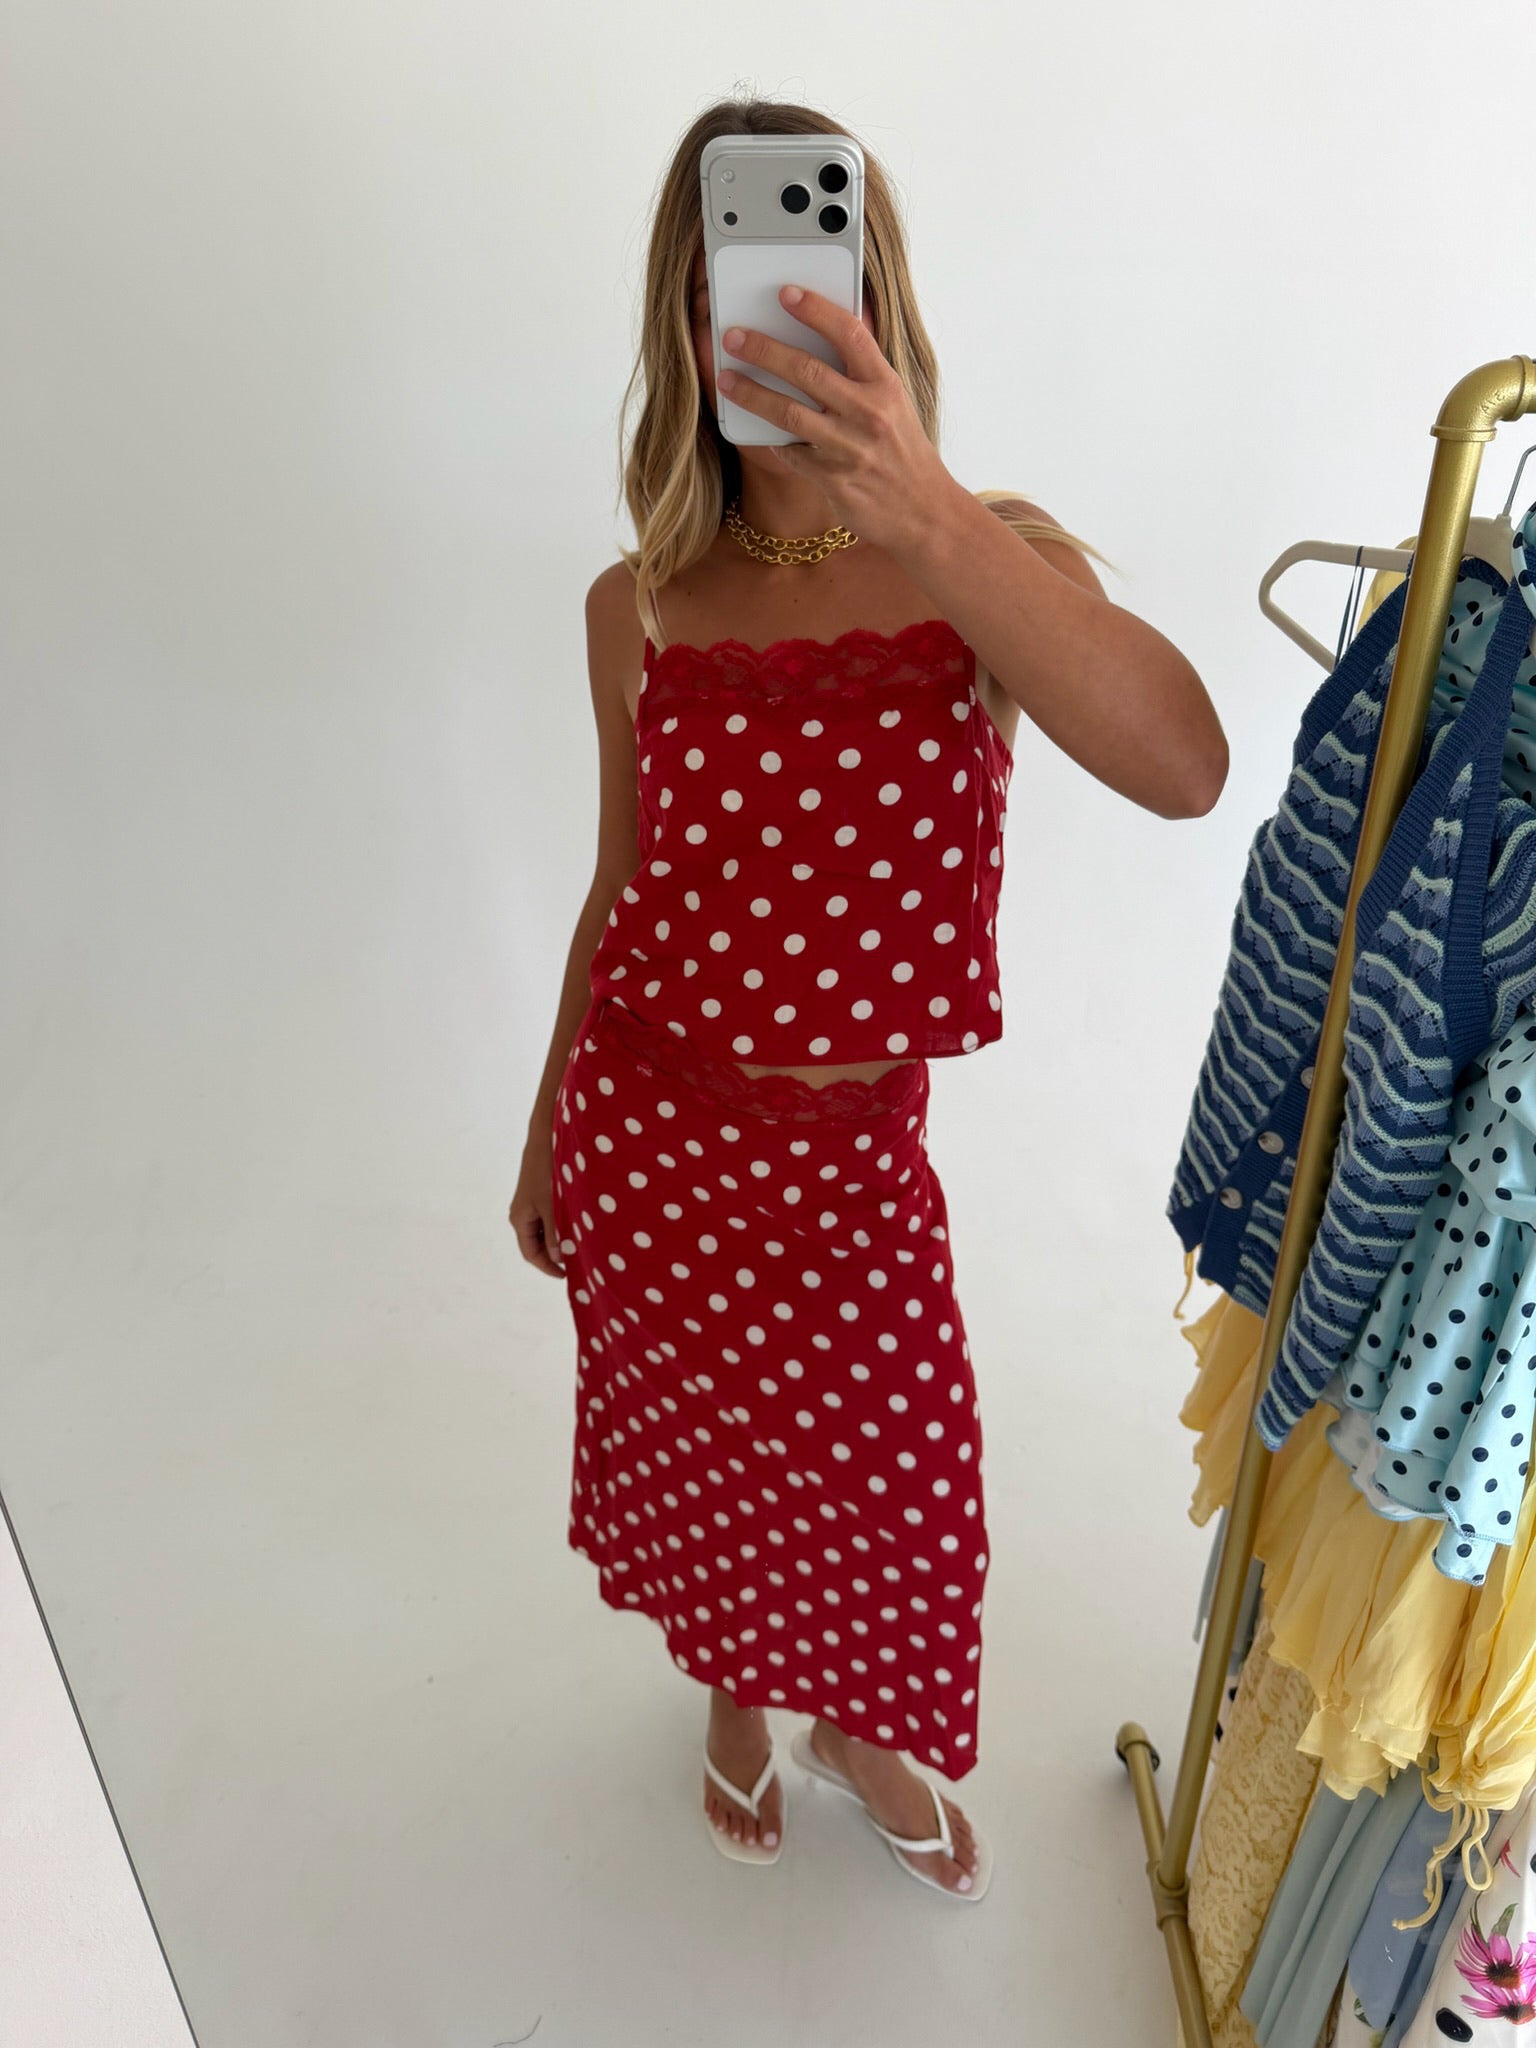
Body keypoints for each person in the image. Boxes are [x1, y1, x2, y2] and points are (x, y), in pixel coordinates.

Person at [509, 97, 1227, 1901]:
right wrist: (541, 1133)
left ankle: (856, 1724)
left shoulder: (990, 568)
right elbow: (618, 894)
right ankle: (740, 1693)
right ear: (682, 325)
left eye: (798, 269)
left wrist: (925, 508)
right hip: (651, 1143)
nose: (757, 320)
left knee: (889, 1499)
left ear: (872, 294)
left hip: (850, 1180)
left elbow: (1185, 768)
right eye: (718, 288)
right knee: (704, 1457)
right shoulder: (638, 605)